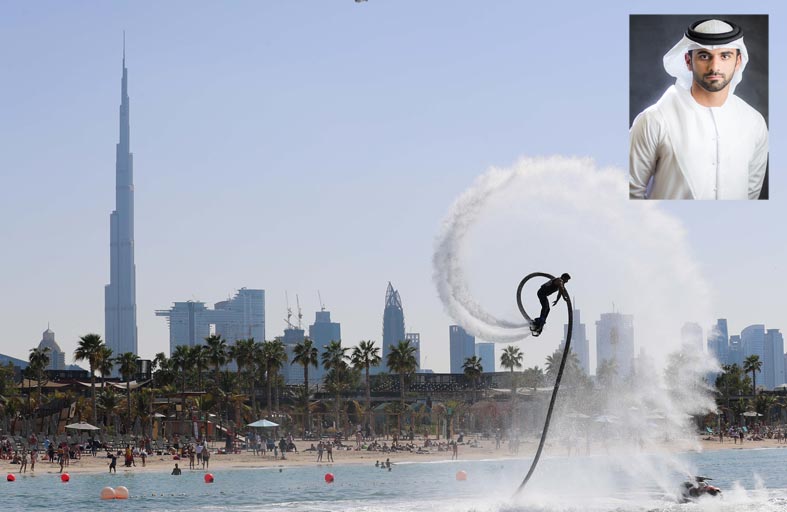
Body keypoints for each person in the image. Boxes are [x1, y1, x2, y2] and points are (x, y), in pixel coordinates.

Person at [630, 18, 768, 200]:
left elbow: (751, 196)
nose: (714, 67)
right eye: (704, 56)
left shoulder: (754, 122)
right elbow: (630, 191)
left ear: (738, 61)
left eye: (725, 56)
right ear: (688, 61)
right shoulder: (654, 120)